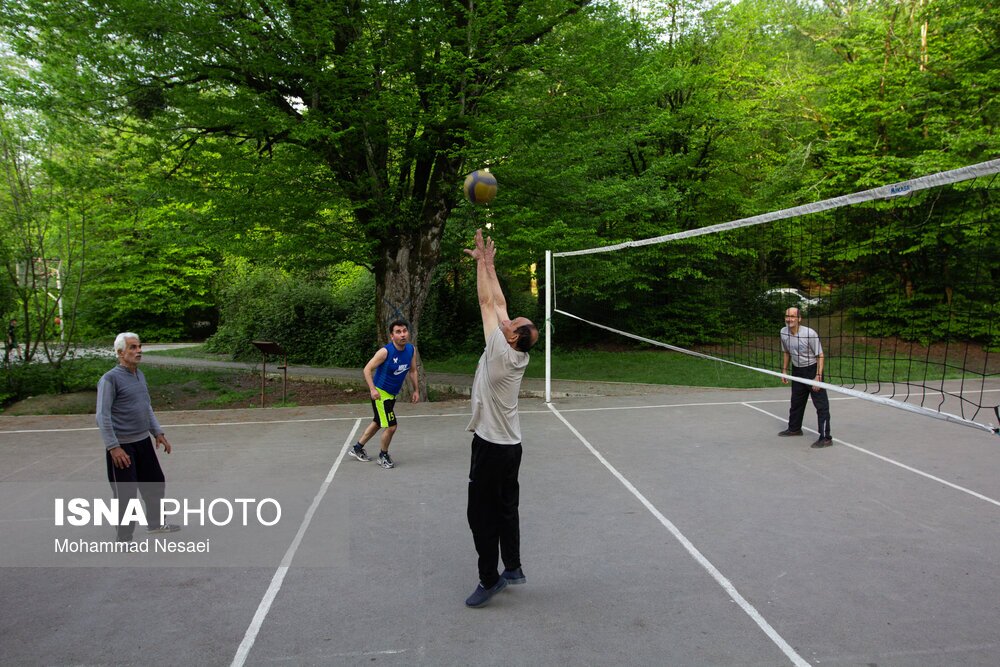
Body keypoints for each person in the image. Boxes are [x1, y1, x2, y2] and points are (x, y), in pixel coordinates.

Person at [462, 228, 539, 608]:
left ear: (511, 338)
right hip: (512, 447)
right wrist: (491, 266)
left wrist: (479, 267)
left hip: (492, 448)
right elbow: (500, 303)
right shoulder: (515, 348)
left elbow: (485, 304)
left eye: (512, 323)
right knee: (508, 506)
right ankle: (514, 567)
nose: (506, 318)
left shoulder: (500, 353)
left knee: (480, 515)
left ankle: (489, 579)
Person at [96, 332, 179, 541]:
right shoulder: (110, 379)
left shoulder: (139, 375)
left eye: (139, 346)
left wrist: (158, 432)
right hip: (123, 447)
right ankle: (124, 537)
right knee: (126, 494)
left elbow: (146, 407)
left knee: (155, 483)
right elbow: (102, 416)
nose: (138, 351)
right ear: (120, 353)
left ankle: (156, 524)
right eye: (132, 347)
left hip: (143, 442)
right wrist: (114, 447)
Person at [348, 319, 420, 469]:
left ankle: (357, 448)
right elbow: (367, 369)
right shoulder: (385, 352)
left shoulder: (411, 350)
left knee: (378, 422)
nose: (402, 335)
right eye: (398, 332)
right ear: (391, 336)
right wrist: (372, 389)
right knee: (391, 426)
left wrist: (416, 390)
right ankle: (383, 455)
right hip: (381, 394)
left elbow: (413, 371)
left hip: (391, 395)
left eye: (404, 331)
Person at [778, 307, 833, 448]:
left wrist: (818, 376)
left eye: (792, 316)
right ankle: (794, 429)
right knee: (796, 402)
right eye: (787, 316)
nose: (789, 319)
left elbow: (820, 355)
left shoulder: (809, 333)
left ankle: (826, 438)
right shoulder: (783, 332)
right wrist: (784, 371)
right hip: (796, 371)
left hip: (812, 370)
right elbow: (786, 352)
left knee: (821, 405)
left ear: (799, 319)